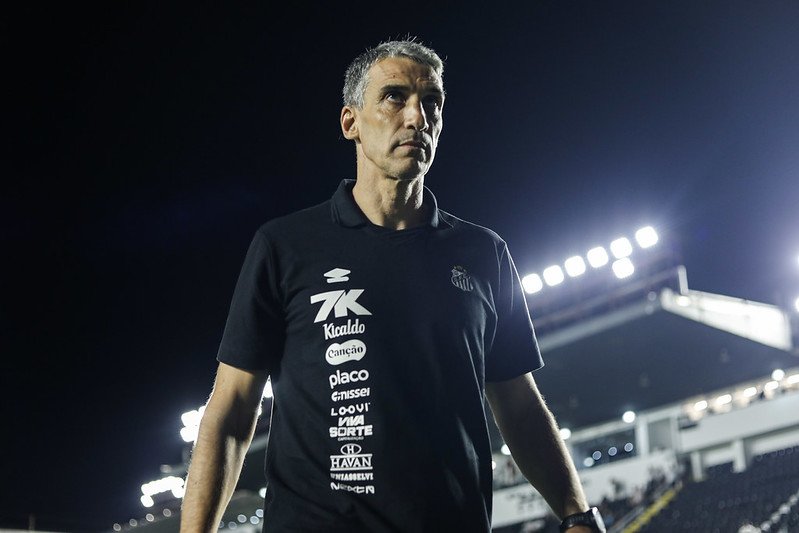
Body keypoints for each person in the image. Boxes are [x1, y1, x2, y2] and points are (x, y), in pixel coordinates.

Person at [180, 38, 604, 533]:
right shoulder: (286, 247)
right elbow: (230, 412)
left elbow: (520, 406)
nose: (417, 118)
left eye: (432, 104)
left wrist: (576, 515)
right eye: (394, 97)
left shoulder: (483, 254)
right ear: (350, 122)